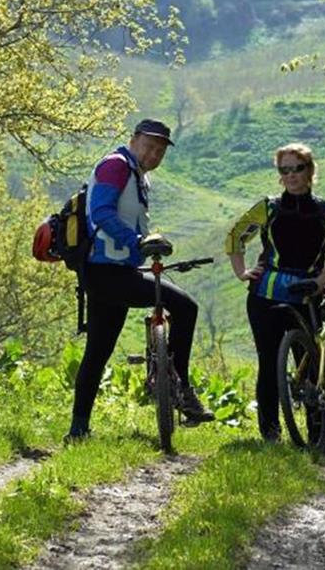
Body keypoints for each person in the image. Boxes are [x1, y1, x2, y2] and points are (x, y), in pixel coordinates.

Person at [66, 118, 214, 441]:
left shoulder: (138, 176)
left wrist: (145, 246)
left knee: (98, 350)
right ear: (133, 140)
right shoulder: (116, 166)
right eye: (149, 146)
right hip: (107, 273)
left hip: (112, 272)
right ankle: (181, 389)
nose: (154, 154)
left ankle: (78, 429)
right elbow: (101, 213)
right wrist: (136, 242)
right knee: (185, 307)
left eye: (160, 150)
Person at [225, 143, 325, 450]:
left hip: (306, 295)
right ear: (279, 175)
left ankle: (320, 439)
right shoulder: (268, 207)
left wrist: (319, 284)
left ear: (310, 171)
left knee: (310, 367)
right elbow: (235, 236)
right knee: (269, 364)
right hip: (265, 295)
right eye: (285, 170)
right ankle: (271, 435)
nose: (292, 176)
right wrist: (241, 272)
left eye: (298, 168)